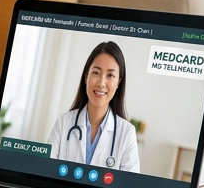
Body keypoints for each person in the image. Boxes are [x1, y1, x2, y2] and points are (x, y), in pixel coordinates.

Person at [47, 41, 140, 172]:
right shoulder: (63, 123)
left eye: (110, 75)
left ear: (118, 83)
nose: (101, 83)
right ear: (86, 77)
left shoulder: (127, 133)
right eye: (96, 73)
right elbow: (46, 172)